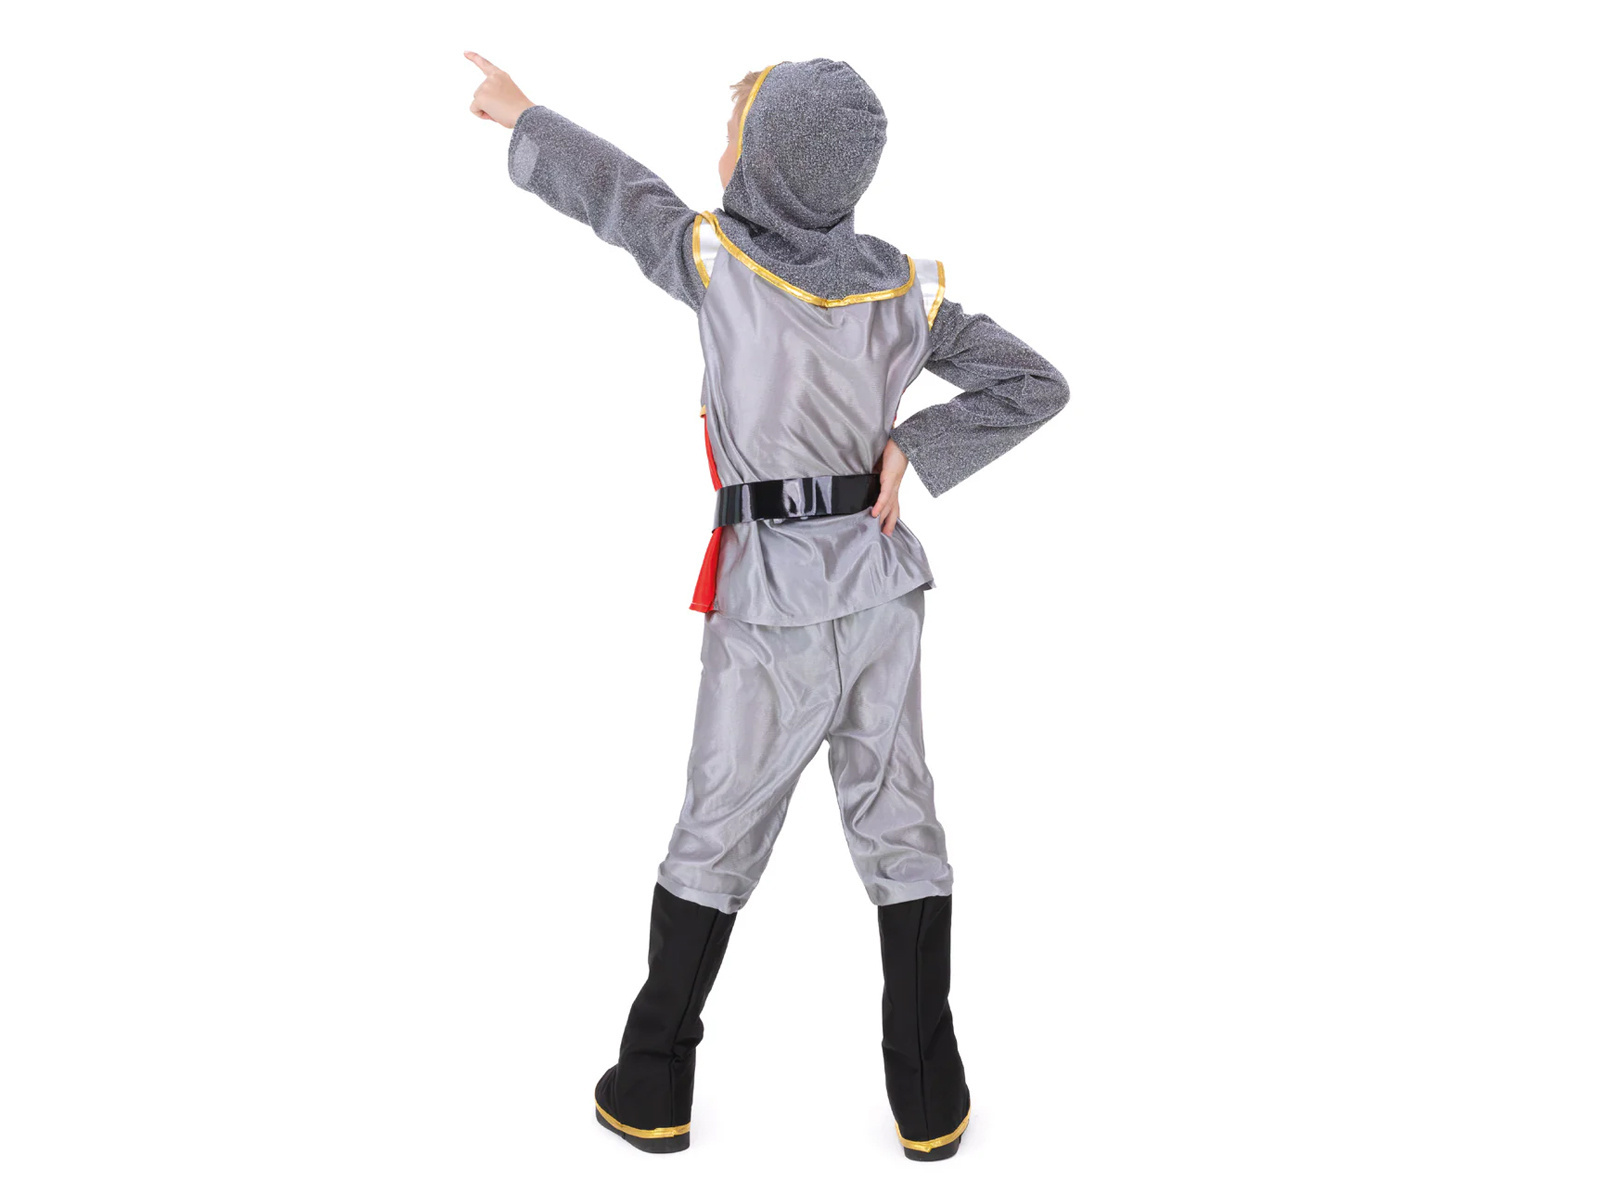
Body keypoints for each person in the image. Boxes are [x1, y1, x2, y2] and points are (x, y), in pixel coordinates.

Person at [465, 53, 1070, 1161]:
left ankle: (651, 1085)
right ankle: (930, 1101)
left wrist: (523, 116)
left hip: (773, 600)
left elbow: (618, 193)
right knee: (900, 823)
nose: (720, 156)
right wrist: (916, 447)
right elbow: (1036, 384)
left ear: (772, 164)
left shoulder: (719, 262)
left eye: (735, 135)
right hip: (884, 592)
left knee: (717, 828)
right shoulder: (906, 290)